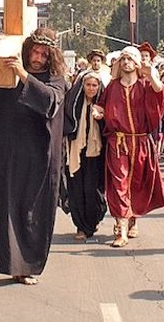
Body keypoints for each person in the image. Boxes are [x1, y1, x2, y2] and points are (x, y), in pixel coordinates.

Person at [0, 27, 68, 285]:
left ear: (51, 55)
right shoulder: (4, 71)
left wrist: (24, 76)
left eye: (43, 53)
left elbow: (51, 102)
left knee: (27, 210)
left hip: (34, 155)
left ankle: (23, 266)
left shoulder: (54, 77)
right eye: (34, 51)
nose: (37, 57)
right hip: (1, 149)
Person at [94, 43, 164, 248]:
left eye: (130, 59)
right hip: (118, 142)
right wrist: (99, 112)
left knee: (137, 183)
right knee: (119, 184)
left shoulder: (144, 86)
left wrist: (152, 75)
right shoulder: (113, 87)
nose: (126, 63)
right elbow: (101, 103)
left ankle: (133, 218)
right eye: (123, 59)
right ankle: (121, 228)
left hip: (141, 141)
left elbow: (159, 97)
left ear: (136, 63)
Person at [62, 69, 107, 240]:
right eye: (88, 85)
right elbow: (66, 123)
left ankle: (92, 221)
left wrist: (101, 118)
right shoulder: (72, 103)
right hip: (76, 152)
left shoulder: (103, 105)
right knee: (77, 190)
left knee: (92, 190)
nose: (91, 88)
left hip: (95, 155)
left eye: (94, 85)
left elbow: (109, 127)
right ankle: (81, 226)